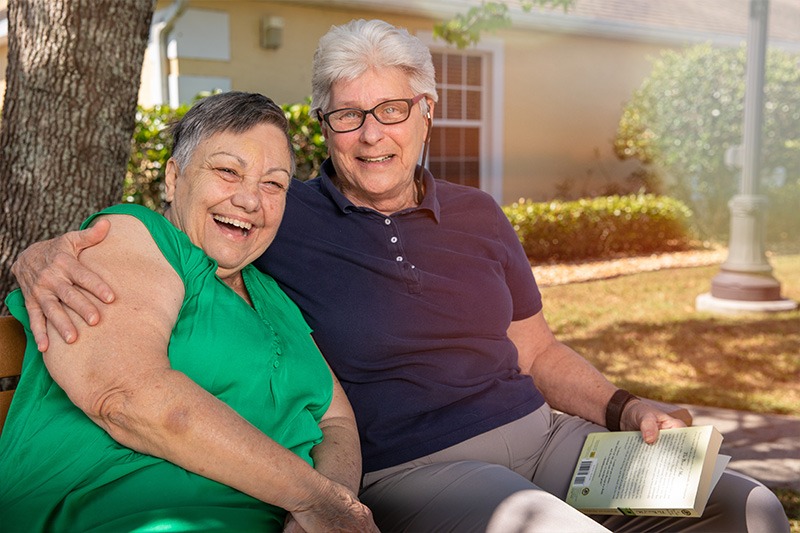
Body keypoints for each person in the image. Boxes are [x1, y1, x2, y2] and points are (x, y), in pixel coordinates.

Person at [12, 19, 789, 533]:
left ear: (427, 110)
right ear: (326, 127)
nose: (371, 133)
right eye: (347, 114)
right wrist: (38, 252)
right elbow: (176, 245)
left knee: (743, 505)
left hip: (553, 439)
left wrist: (624, 405)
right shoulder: (283, 218)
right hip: (422, 469)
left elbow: (537, 354)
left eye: (391, 109)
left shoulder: (482, 213)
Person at [0, 91, 377, 533]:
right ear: (174, 178)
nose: (250, 200)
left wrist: (332, 507)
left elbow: (335, 418)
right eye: (227, 171)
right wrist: (314, 498)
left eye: (272, 184)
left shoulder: (272, 293)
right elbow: (127, 398)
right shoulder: (135, 236)